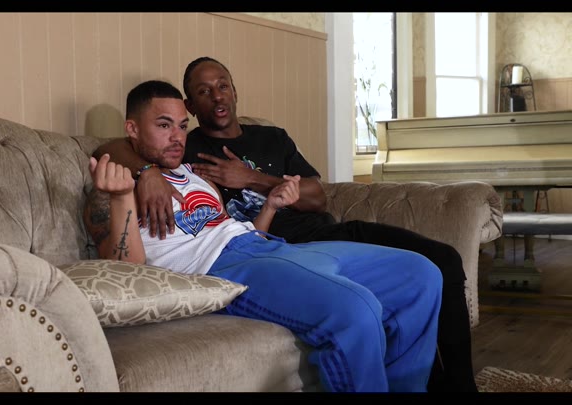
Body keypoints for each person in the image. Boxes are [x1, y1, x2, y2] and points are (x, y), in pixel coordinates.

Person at [94, 57, 478, 392]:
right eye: (164, 126)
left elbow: (238, 229)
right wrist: (130, 187)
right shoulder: (115, 184)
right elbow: (125, 268)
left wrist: (271, 205)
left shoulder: (194, 173)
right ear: (132, 130)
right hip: (220, 268)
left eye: (181, 126)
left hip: (267, 246)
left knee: (420, 274)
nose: (177, 137)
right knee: (355, 310)